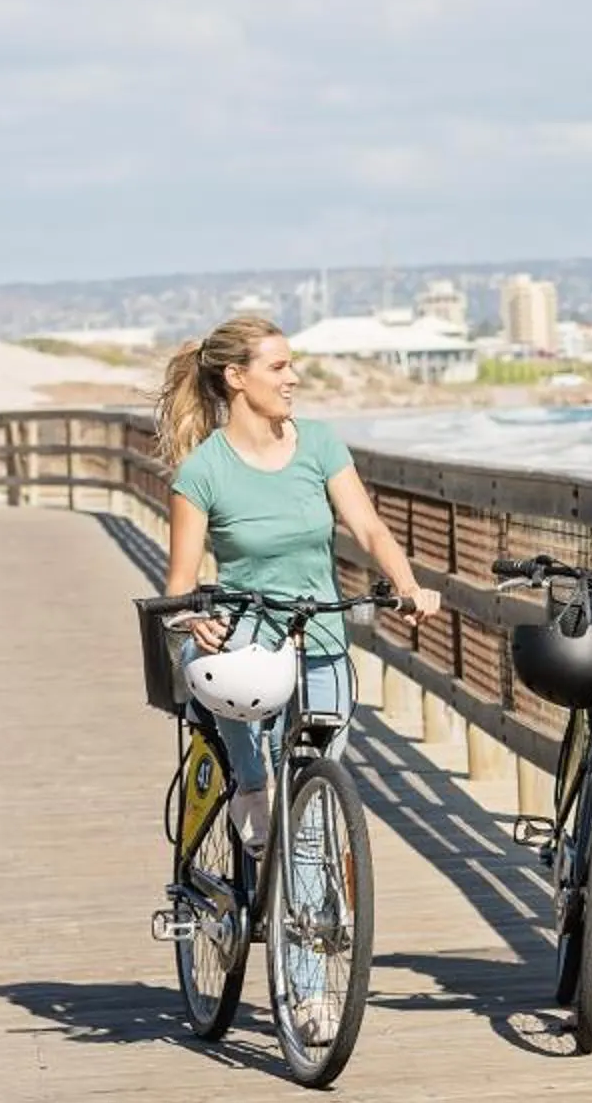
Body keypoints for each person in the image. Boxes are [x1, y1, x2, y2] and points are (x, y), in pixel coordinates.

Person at [157, 314, 442, 847]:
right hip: (246, 638)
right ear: (237, 377)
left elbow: (369, 527)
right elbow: (181, 583)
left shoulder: (319, 443)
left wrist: (407, 585)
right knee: (230, 681)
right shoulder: (202, 472)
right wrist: (194, 618)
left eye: (293, 366)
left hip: (321, 635)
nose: (293, 378)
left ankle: (308, 925)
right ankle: (250, 782)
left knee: (314, 795)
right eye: (279, 366)